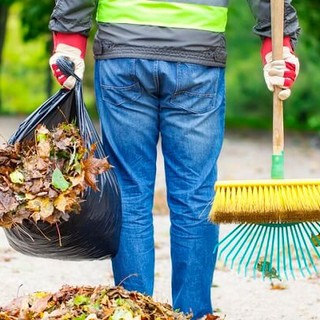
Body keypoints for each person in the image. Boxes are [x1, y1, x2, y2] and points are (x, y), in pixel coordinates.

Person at [48, 1, 300, 318]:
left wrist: (69, 41)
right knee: (195, 194)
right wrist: (278, 47)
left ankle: (134, 312)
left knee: (128, 189)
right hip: (198, 57)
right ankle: (194, 313)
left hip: (124, 51)